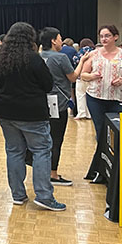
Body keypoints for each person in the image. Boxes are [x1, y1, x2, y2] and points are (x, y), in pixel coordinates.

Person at [0, 22, 66, 211]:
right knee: (41, 150)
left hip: (5, 112)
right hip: (32, 113)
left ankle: (17, 194)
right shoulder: (33, 59)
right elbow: (48, 84)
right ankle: (44, 196)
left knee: (14, 151)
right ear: (29, 38)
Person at [81, 25, 122, 181]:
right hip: (95, 98)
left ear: (115, 37)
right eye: (101, 36)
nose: (104, 39)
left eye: (107, 36)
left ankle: (112, 169)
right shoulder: (93, 54)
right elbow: (83, 75)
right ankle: (99, 170)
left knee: (115, 133)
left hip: (116, 100)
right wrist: (92, 76)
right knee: (100, 133)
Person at [39, 27, 91, 186]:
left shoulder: (39, 57)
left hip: (41, 102)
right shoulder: (60, 57)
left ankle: (42, 170)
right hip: (58, 103)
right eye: (60, 38)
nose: (62, 41)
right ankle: (53, 174)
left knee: (43, 139)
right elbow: (74, 77)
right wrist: (82, 61)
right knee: (56, 139)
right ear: (54, 40)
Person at [73, 38, 96, 119]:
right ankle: (90, 114)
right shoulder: (95, 52)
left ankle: (82, 113)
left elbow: (75, 60)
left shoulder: (80, 52)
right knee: (90, 96)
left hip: (80, 77)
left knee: (80, 95)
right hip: (92, 77)